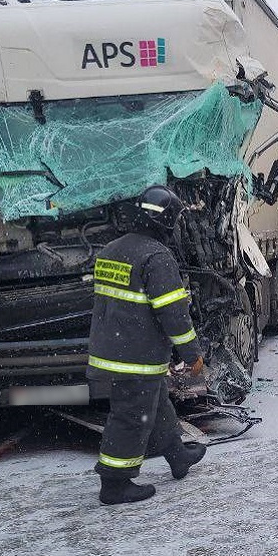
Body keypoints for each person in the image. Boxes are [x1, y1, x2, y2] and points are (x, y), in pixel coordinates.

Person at [87, 185, 208, 505]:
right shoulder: (157, 257)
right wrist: (192, 354)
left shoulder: (111, 250)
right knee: (131, 416)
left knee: (155, 403)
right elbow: (174, 313)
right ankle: (114, 483)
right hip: (136, 356)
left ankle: (177, 455)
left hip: (113, 349)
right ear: (167, 221)